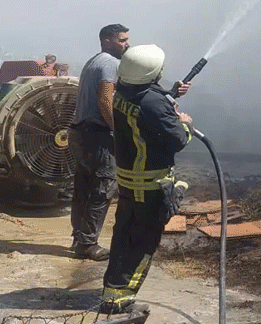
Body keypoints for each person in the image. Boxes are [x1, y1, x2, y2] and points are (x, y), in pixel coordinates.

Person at [99, 44, 194, 316]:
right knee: (142, 244)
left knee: (124, 238)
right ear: (155, 71)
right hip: (151, 188)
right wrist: (184, 121)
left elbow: (145, 110)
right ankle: (120, 301)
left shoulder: (123, 92)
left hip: (129, 184)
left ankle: (112, 289)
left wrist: (170, 95)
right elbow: (177, 139)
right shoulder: (153, 103)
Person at [67, 24, 129, 260]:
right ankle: (88, 244)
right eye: (122, 40)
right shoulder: (110, 63)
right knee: (103, 188)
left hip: (80, 133)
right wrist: (118, 130)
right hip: (97, 136)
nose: (127, 44)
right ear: (107, 41)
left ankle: (79, 238)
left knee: (83, 189)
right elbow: (105, 99)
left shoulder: (93, 61)